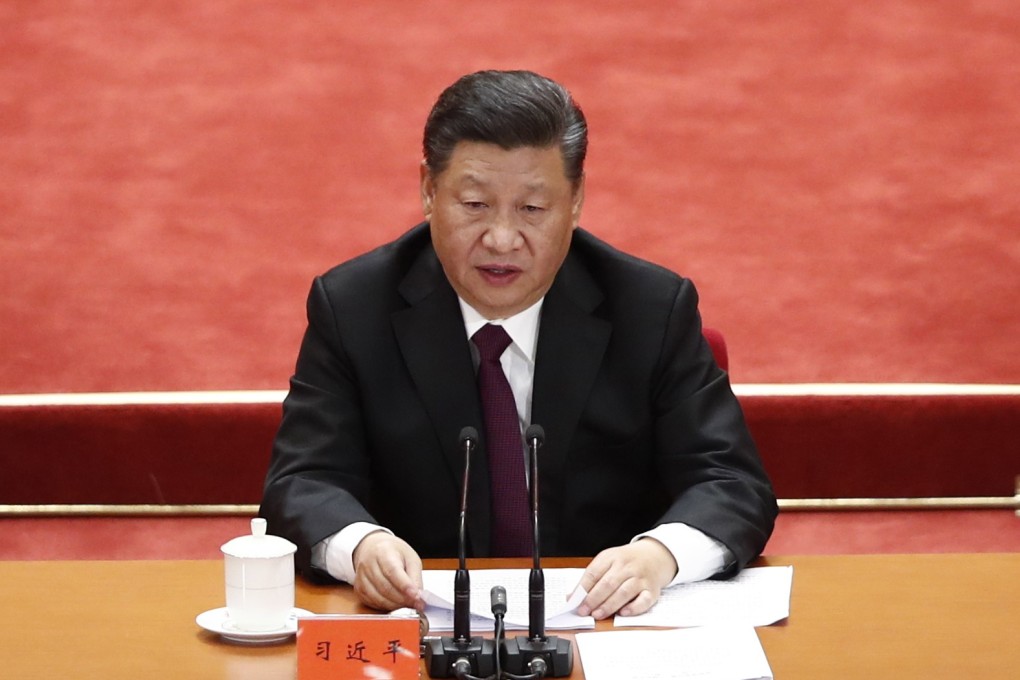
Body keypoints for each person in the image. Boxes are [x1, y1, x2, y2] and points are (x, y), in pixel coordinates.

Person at [260, 69, 776, 620]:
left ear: (575, 201)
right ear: (429, 192)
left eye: (532, 209)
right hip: (424, 627)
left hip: (604, 628)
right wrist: (360, 545)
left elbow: (731, 482)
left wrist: (659, 556)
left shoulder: (649, 309)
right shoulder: (353, 307)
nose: (501, 240)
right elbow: (302, 480)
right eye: (475, 205)